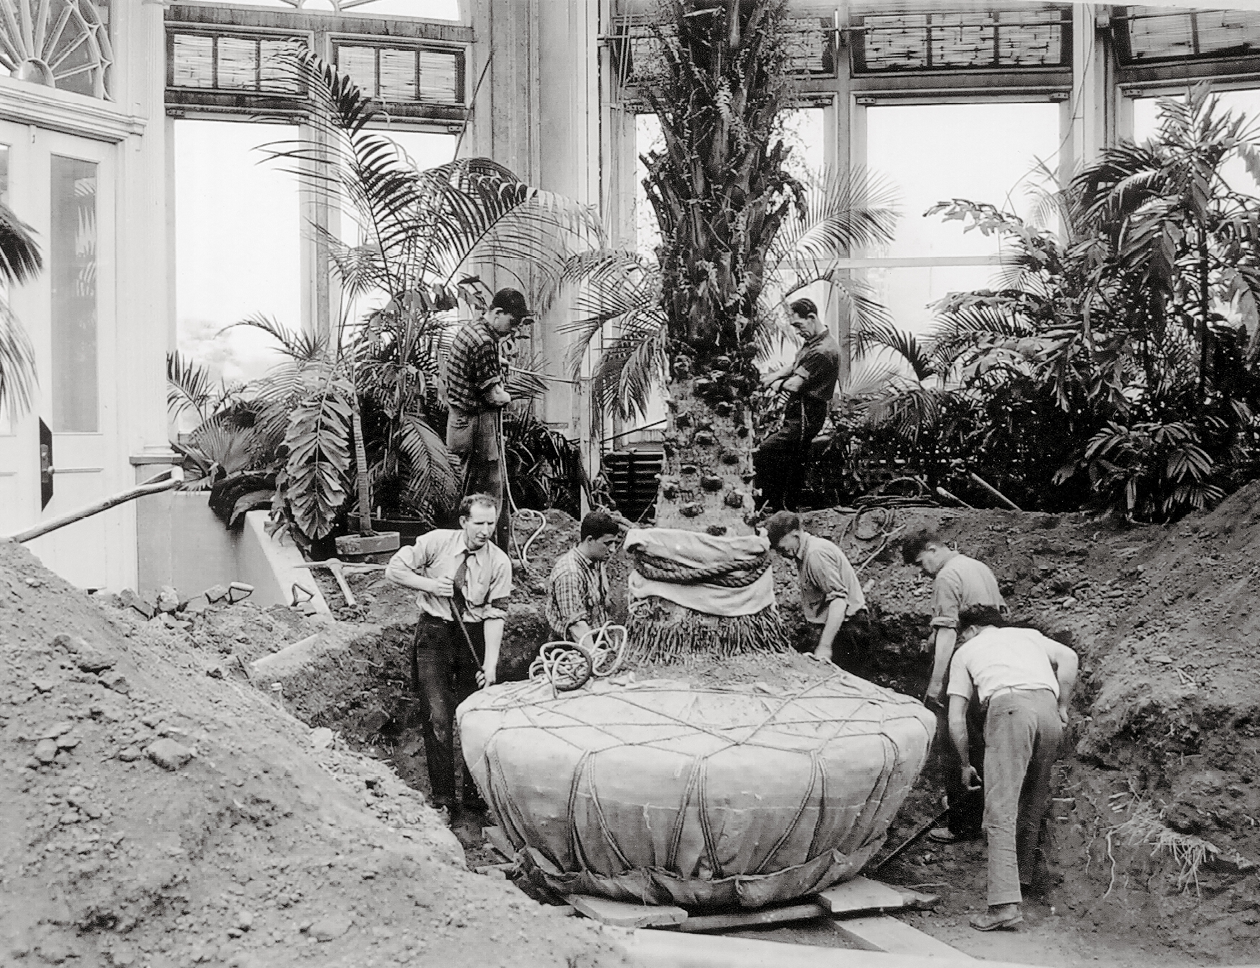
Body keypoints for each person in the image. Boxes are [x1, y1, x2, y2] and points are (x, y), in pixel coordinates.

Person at [946, 606, 1077, 931]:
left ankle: (1003, 905)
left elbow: (955, 718)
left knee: (1000, 810)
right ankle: (1019, 883)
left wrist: (964, 763)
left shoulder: (965, 651)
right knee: (1031, 801)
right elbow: (1070, 657)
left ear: (970, 631)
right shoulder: (1028, 636)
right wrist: (1062, 706)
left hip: (1009, 711)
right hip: (1046, 710)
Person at [385, 493, 513, 822]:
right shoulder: (437, 542)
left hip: (471, 637)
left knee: (473, 718)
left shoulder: (499, 562)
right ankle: (443, 799)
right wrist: (429, 585)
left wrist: (490, 664)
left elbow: (495, 615)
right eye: (479, 523)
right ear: (464, 522)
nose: (486, 530)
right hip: (434, 634)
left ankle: (474, 799)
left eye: (491, 523)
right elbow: (394, 569)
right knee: (437, 716)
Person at [902, 529, 1007, 844]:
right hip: (989, 661)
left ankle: (962, 823)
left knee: (954, 741)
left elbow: (949, 633)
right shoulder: (978, 568)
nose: (923, 572)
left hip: (964, 663)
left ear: (933, 549)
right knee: (979, 740)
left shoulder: (946, 577)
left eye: (922, 564)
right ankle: (979, 810)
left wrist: (936, 683)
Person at [444, 287, 532, 550]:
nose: (513, 330)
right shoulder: (485, 342)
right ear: (497, 312)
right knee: (489, 495)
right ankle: (493, 557)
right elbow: (494, 397)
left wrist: (496, 361)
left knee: (469, 494)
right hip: (475, 425)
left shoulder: (476, 329)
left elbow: (474, 363)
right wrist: (511, 396)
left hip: (461, 422)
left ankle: (481, 553)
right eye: (512, 322)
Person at [753, 298, 841, 513]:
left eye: (798, 325)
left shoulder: (823, 351)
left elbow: (794, 384)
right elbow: (795, 366)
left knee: (767, 451)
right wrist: (768, 378)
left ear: (811, 318)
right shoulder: (814, 343)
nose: (797, 331)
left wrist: (775, 384)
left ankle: (774, 504)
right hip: (799, 411)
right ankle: (785, 508)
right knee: (790, 459)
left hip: (807, 413)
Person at [765, 510, 871, 673]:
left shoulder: (815, 554)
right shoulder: (805, 552)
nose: (781, 553)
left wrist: (825, 647)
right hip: (837, 627)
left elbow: (839, 601)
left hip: (847, 628)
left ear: (794, 535)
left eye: (782, 547)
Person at [544, 509, 621, 644]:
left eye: (614, 543)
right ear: (590, 540)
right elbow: (577, 627)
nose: (613, 549)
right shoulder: (569, 574)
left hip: (595, 639)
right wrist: (593, 660)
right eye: (607, 543)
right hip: (571, 647)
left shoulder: (596, 561)